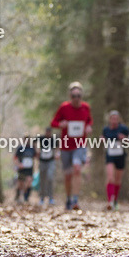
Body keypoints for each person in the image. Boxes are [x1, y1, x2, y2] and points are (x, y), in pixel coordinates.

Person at [50, 81, 93, 210]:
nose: (76, 98)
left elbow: (89, 120)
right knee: (68, 175)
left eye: (78, 95)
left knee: (77, 168)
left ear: (81, 96)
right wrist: (60, 124)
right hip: (65, 145)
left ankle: (75, 199)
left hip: (80, 144)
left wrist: (88, 127)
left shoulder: (86, 107)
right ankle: (68, 198)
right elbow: (53, 122)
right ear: (70, 96)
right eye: (73, 95)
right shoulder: (64, 107)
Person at [101, 110, 129, 210]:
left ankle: (115, 200)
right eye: (112, 118)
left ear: (119, 119)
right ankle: (110, 201)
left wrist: (124, 138)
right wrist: (102, 139)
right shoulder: (106, 129)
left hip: (120, 155)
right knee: (110, 178)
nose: (114, 120)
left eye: (116, 119)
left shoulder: (123, 128)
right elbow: (103, 139)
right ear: (109, 119)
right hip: (110, 155)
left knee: (117, 180)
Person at [37, 127, 57, 205]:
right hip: (42, 161)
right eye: (47, 132)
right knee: (42, 179)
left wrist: (56, 154)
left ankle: (51, 197)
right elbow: (34, 142)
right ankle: (42, 197)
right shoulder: (41, 138)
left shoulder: (53, 140)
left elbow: (57, 148)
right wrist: (37, 150)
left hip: (50, 161)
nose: (48, 133)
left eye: (49, 132)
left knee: (50, 177)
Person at [13, 137, 36, 203]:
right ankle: (18, 195)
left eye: (28, 139)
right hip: (22, 169)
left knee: (29, 182)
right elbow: (15, 158)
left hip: (29, 169)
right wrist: (18, 164)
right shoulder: (20, 148)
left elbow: (36, 156)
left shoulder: (32, 148)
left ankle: (26, 197)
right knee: (20, 184)